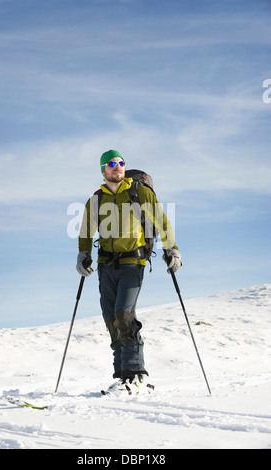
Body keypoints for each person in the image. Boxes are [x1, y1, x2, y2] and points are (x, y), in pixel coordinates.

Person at [76, 150, 181, 394]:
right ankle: (122, 375)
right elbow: (84, 232)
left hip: (133, 263)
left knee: (124, 314)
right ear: (103, 170)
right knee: (111, 318)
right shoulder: (96, 200)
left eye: (121, 163)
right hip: (105, 265)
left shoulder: (138, 191)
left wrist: (172, 249)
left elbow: (162, 222)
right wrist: (83, 255)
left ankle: (136, 375)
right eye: (112, 164)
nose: (118, 167)